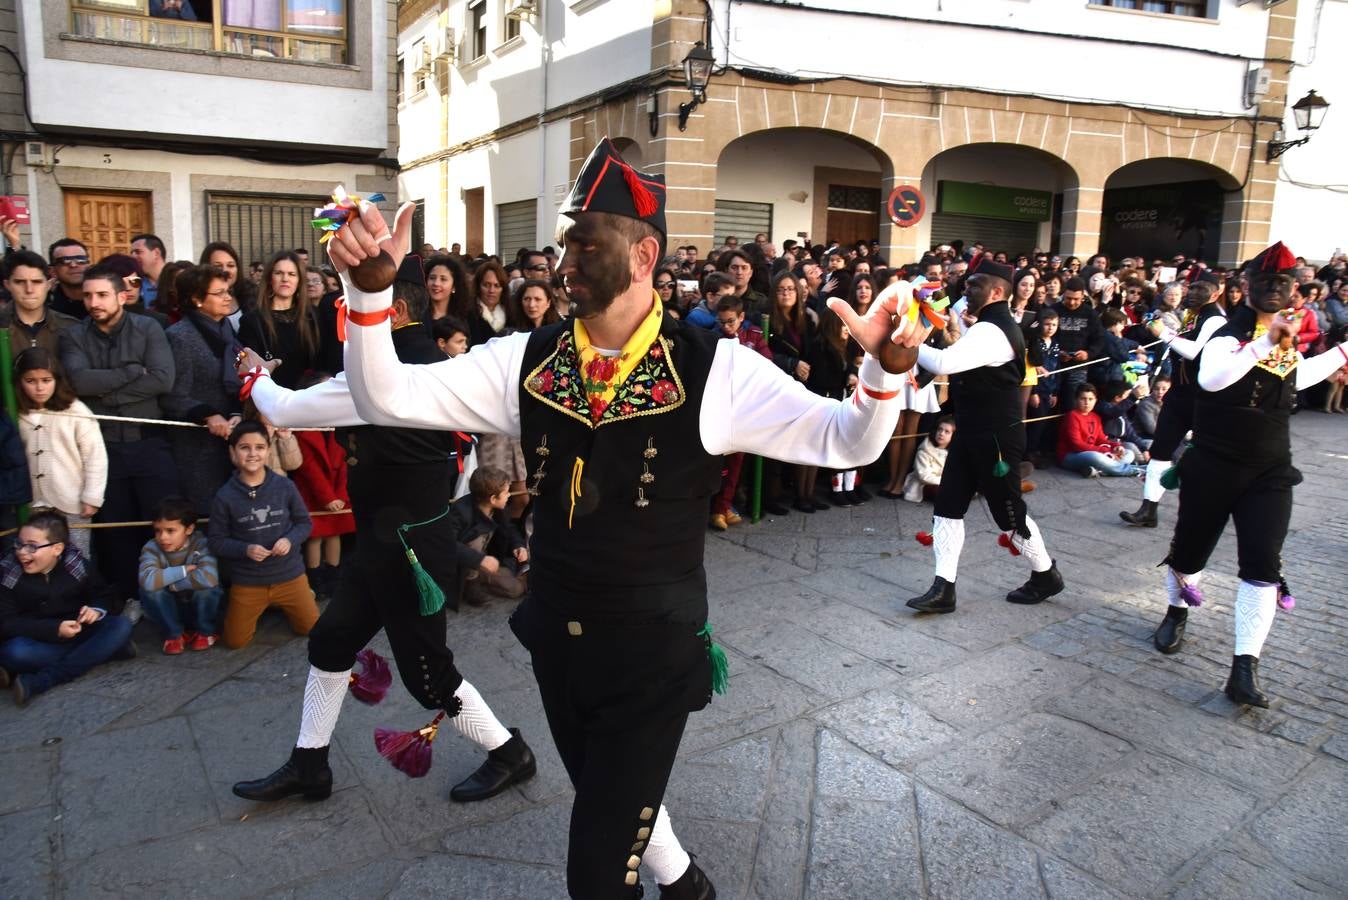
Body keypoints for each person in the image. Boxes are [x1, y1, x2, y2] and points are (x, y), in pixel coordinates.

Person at [324, 137, 925, 900]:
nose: (563, 257)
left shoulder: (717, 368)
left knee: (598, 874)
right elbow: (388, 399)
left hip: (651, 658)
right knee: (615, 802)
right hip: (556, 644)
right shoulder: (526, 360)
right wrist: (370, 295)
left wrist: (884, 370)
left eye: (584, 240)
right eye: (564, 238)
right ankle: (689, 890)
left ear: (643, 257)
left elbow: (850, 440)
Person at [233, 255, 537, 810]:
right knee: (330, 642)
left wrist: (253, 373)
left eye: (355, 304)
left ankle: (510, 753)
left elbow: (284, 406)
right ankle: (309, 766)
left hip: (408, 554)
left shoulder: (379, 374)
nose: (345, 315)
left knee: (428, 678)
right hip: (387, 540)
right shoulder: (447, 365)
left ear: (391, 311)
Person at [1151, 242, 1348, 707]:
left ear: (1295, 289)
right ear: (1247, 287)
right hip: (1213, 465)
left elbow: (1296, 377)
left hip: (1270, 470)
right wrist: (1265, 339)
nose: (1275, 289)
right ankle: (1176, 612)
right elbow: (1212, 378)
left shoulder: (1288, 337)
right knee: (1191, 551)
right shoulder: (1225, 329)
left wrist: (1342, 351)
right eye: (1266, 282)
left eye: (1284, 283)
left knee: (1262, 565)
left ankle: (1244, 668)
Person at [903, 256, 1063, 616]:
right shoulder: (987, 325)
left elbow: (944, 363)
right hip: (972, 431)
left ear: (994, 291)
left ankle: (1046, 575)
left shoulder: (993, 330)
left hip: (996, 440)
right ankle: (943, 589)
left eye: (974, 284)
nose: (966, 288)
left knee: (1008, 516)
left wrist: (905, 343)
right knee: (947, 506)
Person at [59, 262, 178, 606]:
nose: (94, 302)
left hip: (149, 442)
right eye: (88, 296)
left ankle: (172, 598)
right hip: (104, 447)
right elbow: (79, 382)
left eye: (102, 295)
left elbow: (161, 380)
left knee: (163, 521)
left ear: (122, 296)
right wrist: (129, 372)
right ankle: (129, 601)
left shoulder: (148, 328)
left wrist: (105, 395)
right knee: (117, 530)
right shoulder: (73, 335)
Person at [0, 510, 133, 706]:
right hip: (37, 640)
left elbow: (104, 594)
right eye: (19, 544)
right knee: (14, 652)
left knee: (121, 625)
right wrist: (55, 629)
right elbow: (6, 623)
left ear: (57, 548)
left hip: (79, 630)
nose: (21, 552)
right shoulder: (7, 573)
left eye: (32, 547)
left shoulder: (76, 565)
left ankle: (42, 680)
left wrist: (95, 609)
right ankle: (106, 651)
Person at [1120, 279, 1225, 528]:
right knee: (1161, 449)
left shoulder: (1215, 319)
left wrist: (1163, 333)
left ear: (1215, 293)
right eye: (1193, 288)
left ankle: (1218, 505)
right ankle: (1149, 509)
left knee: (1209, 453)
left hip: (1203, 397)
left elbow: (1195, 351)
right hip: (1179, 394)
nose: (1193, 293)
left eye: (1201, 289)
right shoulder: (1192, 317)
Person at [208, 420, 319, 649]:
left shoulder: (284, 486)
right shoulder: (225, 496)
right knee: (235, 642)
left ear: (268, 451)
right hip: (249, 581)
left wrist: (289, 540)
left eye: (259, 447)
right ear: (232, 452)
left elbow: (304, 524)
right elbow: (216, 542)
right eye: (244, 447)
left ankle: (292, 602)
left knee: (312, 630)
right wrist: (245, 549)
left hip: (290, 576)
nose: (252, 454)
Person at [161, 264, 243, 516]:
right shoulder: (180, 337)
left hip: (231, 438)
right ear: (196, 299)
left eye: (228, 291)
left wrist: (239, 412)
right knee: (208, 515)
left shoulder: (228, 330)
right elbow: (172, 395)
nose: (227, 297)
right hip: (196, 447)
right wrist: (208, 415)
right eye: (219, 293)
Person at [14, 348, 107, 559]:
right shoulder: (15, 412)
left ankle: (80, 592)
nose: (39, 388)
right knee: (34, 554)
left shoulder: (76, 410)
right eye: (31, 381)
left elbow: (95, 456)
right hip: (32, 502)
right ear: (20, 382)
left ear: (57, 379)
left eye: (46, 380)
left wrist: (92, 496)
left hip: (71, 501)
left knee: (77, 556)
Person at [709, 294, 772, 530]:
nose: (726, 327)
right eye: (722, 322)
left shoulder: (754, 335)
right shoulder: (714, 338)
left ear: (741, 317)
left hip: (745, 408)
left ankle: (723, 507)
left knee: (736, 462)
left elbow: (767, 362)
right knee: (717, 463)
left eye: (730, 322)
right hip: (720, 408)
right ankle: (717, 507)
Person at [289, 372, 355, 600]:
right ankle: (316, 578)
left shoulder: (341, 424)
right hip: (313, 493)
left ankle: (334, 577)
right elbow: (308, 468)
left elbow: (347, 463)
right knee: (315, 537)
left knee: (334, 534)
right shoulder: (303, 427)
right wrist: (328, 497)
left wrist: (340, 496)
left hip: (339, 493)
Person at [138, 496, 222, 655]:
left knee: (208, 590)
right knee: (150, 591)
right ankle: (174, 635)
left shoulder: (202, 544)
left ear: (189, 529)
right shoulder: (151, 548)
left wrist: (172, 584)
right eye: (158, 530)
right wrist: (183, 570)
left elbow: (209, 578)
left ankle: (206, 631)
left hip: (199, 607)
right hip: (170, 609)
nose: (163, 537)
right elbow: (147, 581)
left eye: (170, 531)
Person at [238, 251, 322, 389]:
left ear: (299, 280)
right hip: (270, 399)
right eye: (279, 273)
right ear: (270, 278)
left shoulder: (314, 316)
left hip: (309, 398)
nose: (285, 279)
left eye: (292, 274)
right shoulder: (252, 321)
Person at [449, 465, 528, 606]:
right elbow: (448, 544)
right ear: (493, 498)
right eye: (506, 492)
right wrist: (480, 559)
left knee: (514, 584)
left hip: (489, 559)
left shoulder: (500, 509)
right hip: (466, 564)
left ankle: (495, 579)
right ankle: (470, 584)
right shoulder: (461, 512)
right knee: (475, 541)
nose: (509, 495)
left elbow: (510, 528)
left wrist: (518, 545)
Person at [3, 250, 78, 358]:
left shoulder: (71, 328)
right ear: (7, 285)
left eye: (37, 282)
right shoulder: (2, 324)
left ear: (49, 285)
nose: (29, 290)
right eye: (19, 282)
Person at [1056, 383, 1141, 477]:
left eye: (1090, 399)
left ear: (1095, 400)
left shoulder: (1095, 417)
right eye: (1083, 399)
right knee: (1095, 457)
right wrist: (1105, 452)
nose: (1087, 402)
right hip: (1071, 456)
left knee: (1129, 453)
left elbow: (1101, 440)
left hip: (1093, 452)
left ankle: (1100, 471)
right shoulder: (1072, 416)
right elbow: (1077, 445)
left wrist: (1115, 447)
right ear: (1076, 400)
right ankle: (1132, 470)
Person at [902, 415, 953, 502]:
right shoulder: (924, 450)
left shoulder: (952, 451)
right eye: (940, 429)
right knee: (939, 490)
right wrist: (948, 482)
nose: (941, 433)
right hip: (926, 484)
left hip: (944, 481)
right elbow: (924, 476)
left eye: (947, 432)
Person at [46, 239, 90, 319]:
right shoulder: (45, 306)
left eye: (80, 260)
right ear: (52, 271)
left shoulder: (107, 301)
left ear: (88, 265)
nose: (73, 265)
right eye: (64, 261)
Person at [130, 234, 167, 308]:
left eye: (138, 252)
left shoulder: (178, 279)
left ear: (156, 253)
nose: (132, 257)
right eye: (132, 253)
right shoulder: (133, 283)